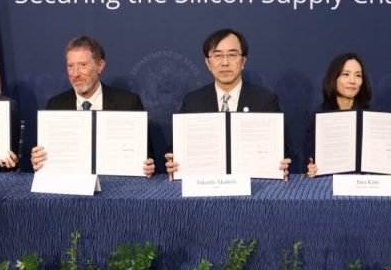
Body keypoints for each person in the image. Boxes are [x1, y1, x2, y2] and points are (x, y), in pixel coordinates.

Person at [165, 28, 291, 180]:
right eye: (217, 55)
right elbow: (177, 151)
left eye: (232, 55)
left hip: (254, 185)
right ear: (207, 63)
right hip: (205, 185)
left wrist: (281, 164)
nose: (225, 63)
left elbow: (280, 152)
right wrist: (173, 162)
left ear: (243, 61)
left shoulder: (265, 100)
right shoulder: (193, 101)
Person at [31, 35, 154, 176]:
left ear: (100, 66)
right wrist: (39, 160)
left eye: (83, 65)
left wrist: (147, 166)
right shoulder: (55, 106)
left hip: (118, 184)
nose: (75, 73)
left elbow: (146, 155)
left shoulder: (128, 103)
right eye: (71, 66)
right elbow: (46, 157)